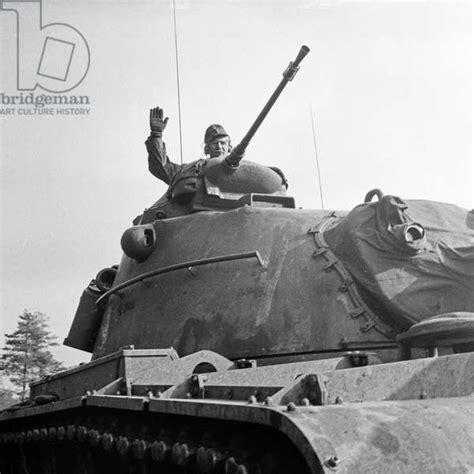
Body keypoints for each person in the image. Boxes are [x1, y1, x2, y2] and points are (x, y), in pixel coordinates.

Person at [145, 106, 235, 198]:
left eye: (223, 143)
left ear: (229, 148)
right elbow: (161, 167)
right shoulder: (191, 170)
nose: (219, 146)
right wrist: (156, 135)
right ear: (206, 149)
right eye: (214, 143)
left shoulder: (240, 172)